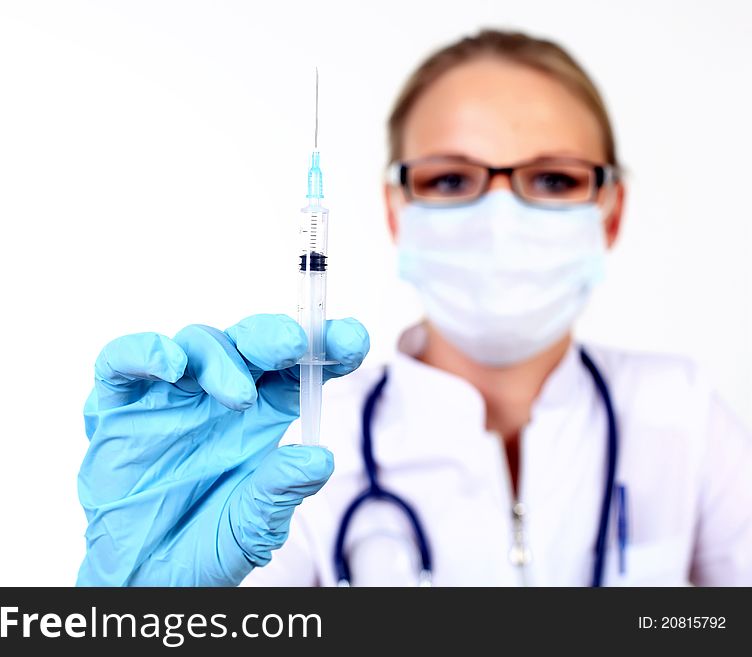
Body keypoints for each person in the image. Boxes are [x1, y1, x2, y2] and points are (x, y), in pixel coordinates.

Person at [76, 29, 752, 587]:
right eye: (452, 178)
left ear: (609, 213)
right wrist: (140, 623)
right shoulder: (300, 443)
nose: (501, 216)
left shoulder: (685, 415)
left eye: (552, 178)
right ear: (397, 211)